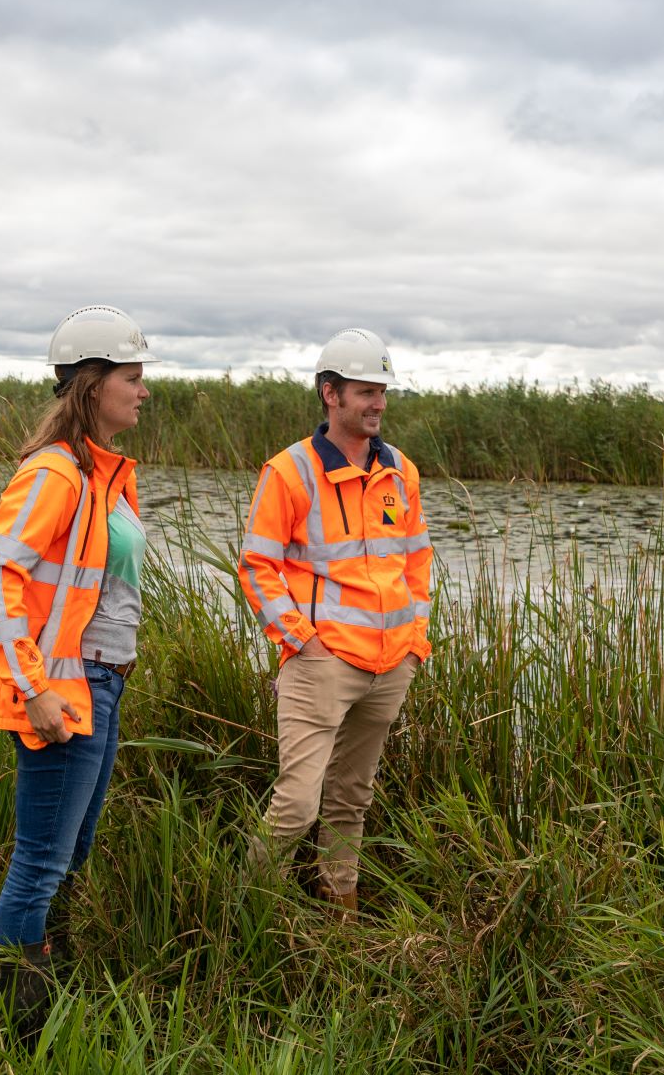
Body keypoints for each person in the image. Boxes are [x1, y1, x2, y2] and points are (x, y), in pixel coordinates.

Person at [0, 304, 156, 1041]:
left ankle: (42, 983)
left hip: (101, 685)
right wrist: (34, 687)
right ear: (91, 382)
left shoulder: (105, 476)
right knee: (41, 863)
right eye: (132, 378)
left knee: (70, 853)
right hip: (63, 691)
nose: (143, 392)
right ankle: (11, 1023)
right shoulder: (54, 475)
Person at [238, 327, 432, 916]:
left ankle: (338, 908)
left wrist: (414, 643)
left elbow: (417, 562)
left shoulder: (401, 471)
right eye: (365, 391)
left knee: (352, 799)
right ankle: (244, 914)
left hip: (390, 663)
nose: (377, 403)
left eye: (383, 392)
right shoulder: (289, 471)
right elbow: (256, 567)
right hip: (321, 664)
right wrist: (302, 640)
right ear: (331, 394)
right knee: (296, 806)